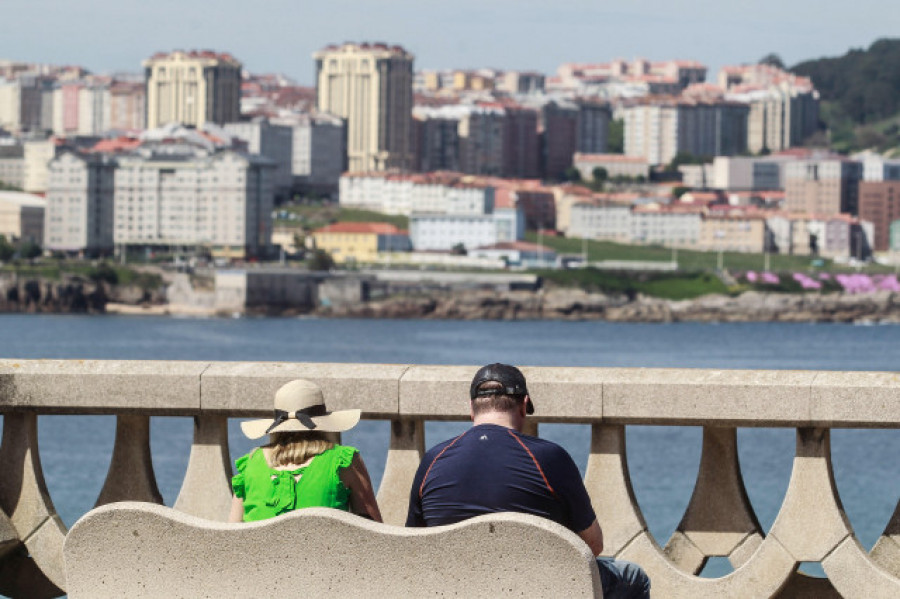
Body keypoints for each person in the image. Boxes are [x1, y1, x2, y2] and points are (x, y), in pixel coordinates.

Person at [406, 363, 650, 599]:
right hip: (536, 589)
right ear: (523, 406)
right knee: (634, 577)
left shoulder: (432, 460)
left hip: (455, 589)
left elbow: (416, 545)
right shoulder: (549, 458)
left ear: (471, 408)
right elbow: (593, 546)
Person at [229, 378, 382, 523]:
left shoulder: (250, 464)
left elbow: (231, 535)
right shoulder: (343, 461)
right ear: (324, 422)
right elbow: (374, 533)